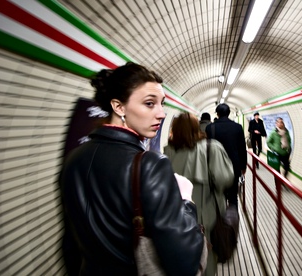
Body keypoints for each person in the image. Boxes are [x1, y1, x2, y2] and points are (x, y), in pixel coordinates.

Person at [59, 62, 205, 275]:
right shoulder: (151, 164)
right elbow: (185, 262)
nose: (162, 113)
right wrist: (186, 202)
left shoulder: (73, 159)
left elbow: (70, 245)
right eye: (149, 104)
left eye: (161, 104)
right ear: (119, 107)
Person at [164, 112, 234, 275]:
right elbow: (225, 180)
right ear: (197, 128)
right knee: (207, 259)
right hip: (207, 216)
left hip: (175, 218)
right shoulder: (212, 148)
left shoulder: (166, 152)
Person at [206, 103, 247, 208]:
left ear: (217, 114)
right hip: (234, 167)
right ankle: (233, 221)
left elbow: (206, 149)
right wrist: (243, 167)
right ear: (229, 113)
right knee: (233, 197)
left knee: (218, 196)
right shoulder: (237, 127)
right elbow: (242, 148)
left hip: (215, 167)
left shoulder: (210, 128)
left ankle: (220, 221)